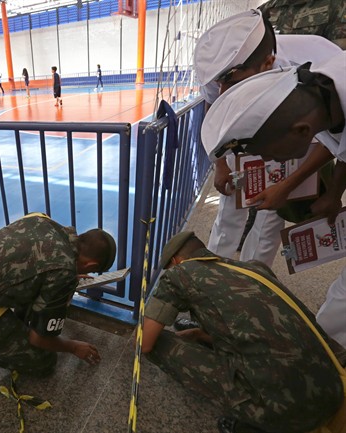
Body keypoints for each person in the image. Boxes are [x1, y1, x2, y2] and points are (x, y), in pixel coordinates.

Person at [200, 52, 346, 348]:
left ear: (301, 131)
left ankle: (324, 355)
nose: (269, 163)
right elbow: (337, 143)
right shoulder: (321, 85)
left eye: (272, 155)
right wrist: (332, 194)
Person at [142, 231, 344, 433]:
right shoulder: (253, 268)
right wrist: (202, 336)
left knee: (159, 344)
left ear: (177, 261)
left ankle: (253, 424)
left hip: (291, 415)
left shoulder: (179, 274)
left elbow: (145, 343)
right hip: (333, 390)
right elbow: (263, 327)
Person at [193, 9, 341, 268]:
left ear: (268, 63)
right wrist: (220, 164)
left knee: (270, 214)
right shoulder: (221, 70)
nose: (224, 91)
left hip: (303, 142)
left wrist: (287, 185)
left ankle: (253, 278)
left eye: (232, 84)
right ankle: (213, 278)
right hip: (243, 138)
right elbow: (213, 107)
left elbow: (335, 140)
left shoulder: (317, 56)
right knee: (230, 208)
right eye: (219, 83)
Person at [0, 213, 116, 380]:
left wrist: (66, 276)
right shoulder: (63, 272)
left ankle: (5, 331)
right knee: (44, 362)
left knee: (34, 293)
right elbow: (39, 339)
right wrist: (74, 346)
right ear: (90, 264)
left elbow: (36, 265)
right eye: (91, 270)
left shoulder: (43, 222)